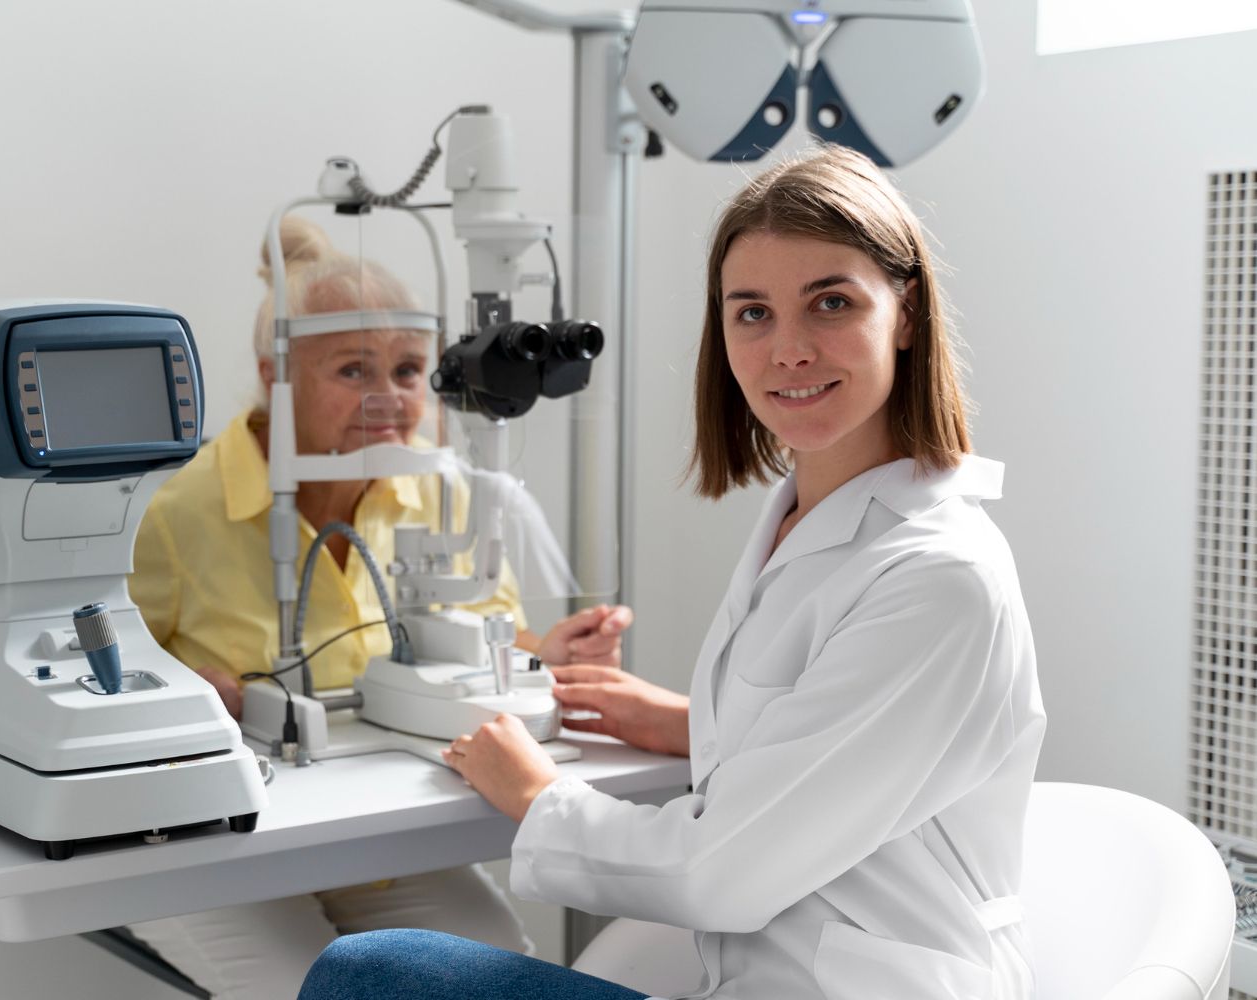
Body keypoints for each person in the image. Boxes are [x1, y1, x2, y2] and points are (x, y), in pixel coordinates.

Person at [295, 145, 1047, 1000]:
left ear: (905, 313)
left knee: (374, 976)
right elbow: (850, 747)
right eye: (752, 313)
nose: (788, 349)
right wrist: (698, 727)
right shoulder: (808, 521)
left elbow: (721, 871)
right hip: (754, 980)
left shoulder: (939, 576)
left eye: (830, 302)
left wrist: (540, 796)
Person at [125, 214, 633, 1000]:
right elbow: (101, 679)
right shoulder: (178, 509)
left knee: (492, 964)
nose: (390, 398)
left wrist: (550, 653)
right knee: (302, 985)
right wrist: (188, 690)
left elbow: (483, 629)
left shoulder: (432, 488)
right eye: (354, 371)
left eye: (407, 371)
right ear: (274, 377)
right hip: (204, 848)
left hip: (367, 833)